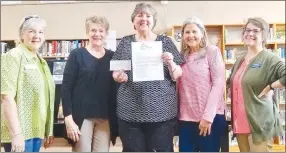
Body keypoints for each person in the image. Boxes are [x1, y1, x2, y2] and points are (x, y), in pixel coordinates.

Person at [112, 2, 184, 152]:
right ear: (134, 20)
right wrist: (119, 76)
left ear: (153, 21)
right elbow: (116, 72)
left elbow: (177, 75)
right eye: (140, 15)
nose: (144, 18)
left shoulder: (165, 42)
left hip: (162, 113)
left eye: (148, 15)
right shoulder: (125, 42)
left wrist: (170, 62)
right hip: (130, 112)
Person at [227, 17, 285, 152]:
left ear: (264, 35)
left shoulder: (270, 58)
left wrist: (271, 86)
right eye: (247, 30)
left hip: (259, 124)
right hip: (240, 124)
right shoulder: (240, 60)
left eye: (255, 31)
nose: (250, 33)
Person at [62, 15, 117, 152]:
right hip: (82, 116)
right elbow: (66, 88)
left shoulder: (113, 56)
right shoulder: (77, 55)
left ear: (106, 33)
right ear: (87, 32)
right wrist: (68, 118)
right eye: (93, 30)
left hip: (105, 117)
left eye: (101, 31)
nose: (97, 34)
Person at [1, 15, 55, 152]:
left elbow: (45, 97)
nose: (36, 36)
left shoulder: (40, 61)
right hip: (19, 132)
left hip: (36, 131)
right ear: (22, 34)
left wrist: (48, 130)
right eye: (31, 31)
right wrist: (16, 134)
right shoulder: (14, 56)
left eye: (41, 32)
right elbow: (6, 97)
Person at [177, 17, 226, 152]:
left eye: (194, 31)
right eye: (187, 32)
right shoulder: (181, 56)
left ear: (202, 33)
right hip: (186, 119)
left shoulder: (212, 51)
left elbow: (218, 84)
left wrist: (208, 117)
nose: (190, 35)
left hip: (209, 118)